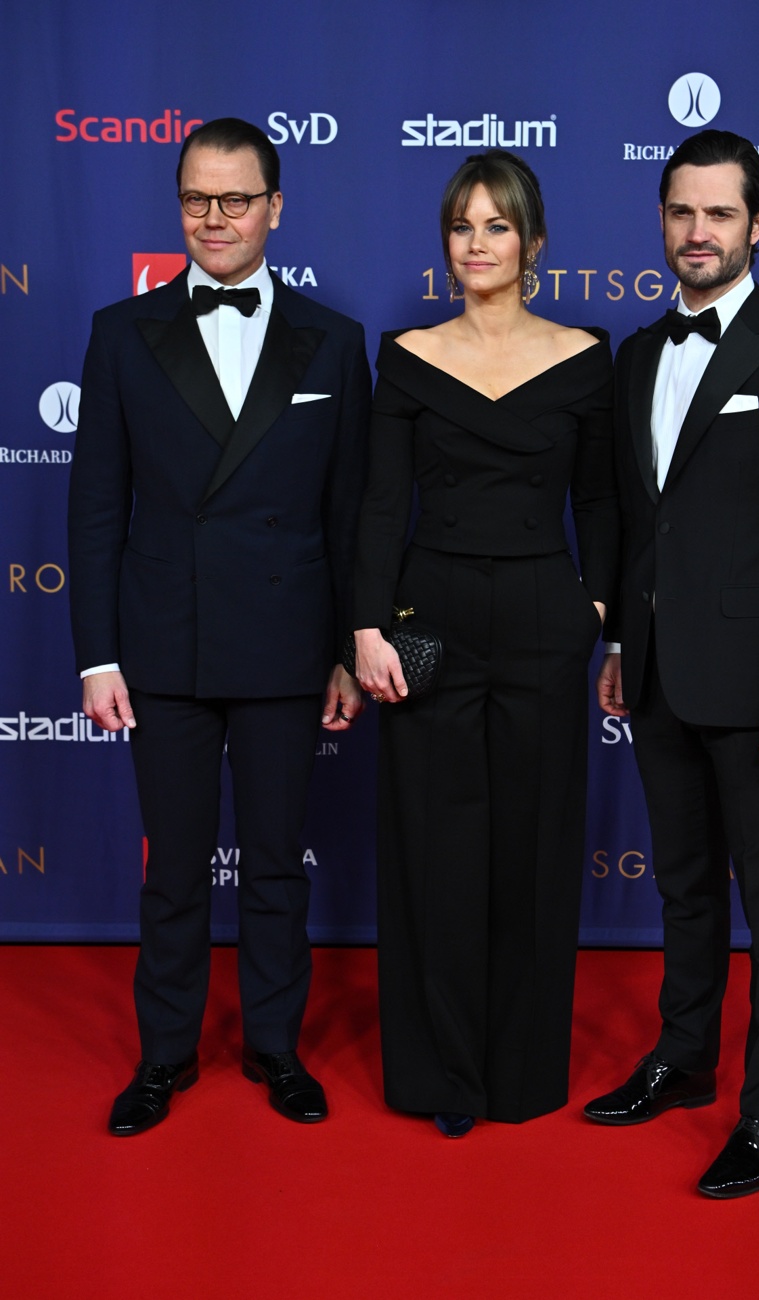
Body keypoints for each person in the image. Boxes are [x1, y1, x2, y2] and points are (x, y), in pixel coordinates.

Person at [68, 117, 370, 1135]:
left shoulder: (334, 339)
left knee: (278, 863)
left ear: (275, 208)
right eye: (197, 197)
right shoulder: (122, 331)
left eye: (236, 198)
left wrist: (347, 649)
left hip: (289, 645)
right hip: (165, 644)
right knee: (178, 863)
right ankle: (163, 1056)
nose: (215, 217)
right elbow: (97, 506)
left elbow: (349, 512)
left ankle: (277, 1049)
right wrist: (98, 654)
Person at [583, 130, 759, 1196]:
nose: (695, 232)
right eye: (679, 212)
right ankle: (684, 1058)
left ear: (758, 224)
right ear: (660, 222)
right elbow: (632, 521)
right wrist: (618, 640)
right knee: (686, 888)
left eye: (717, 213)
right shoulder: (636, 357)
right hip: (655, 673)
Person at [351, 150, 618, 1136]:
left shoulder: (587, 356)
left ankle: (521, 1072)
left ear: (533, 242)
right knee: (434, 844)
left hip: (548, 620)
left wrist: (596, 610)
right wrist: (366, 624)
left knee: (537, 847)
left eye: (496, 226)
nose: (477, 243)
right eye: (462, 226)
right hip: (428, 624)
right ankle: (440, 1077)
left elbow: (601, 499)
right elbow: (382, 502)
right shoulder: (408, 354)